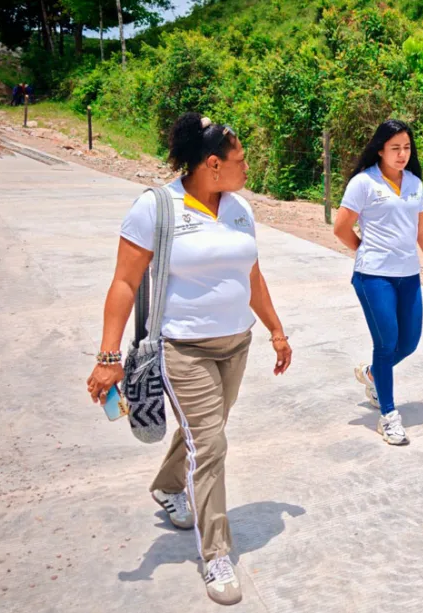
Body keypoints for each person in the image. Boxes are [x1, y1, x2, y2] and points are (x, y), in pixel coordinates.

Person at [86, 112, 293, 606]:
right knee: (213, 446)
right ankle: (216, 553)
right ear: (212, 165)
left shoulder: (240, 208)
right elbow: (124, 282)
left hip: (235, 344)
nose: (249, 168)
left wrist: (276, 330)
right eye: (241, 160)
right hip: (183, 349)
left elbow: (253, 275)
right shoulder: (155, 208)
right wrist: (108, 356)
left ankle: (166, 484)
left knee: (207, 432)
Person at [333, 119, 423, 445]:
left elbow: (422, 230)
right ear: (379, 149)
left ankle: (372, 375)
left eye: (406, 147)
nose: (402, 154)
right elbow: (341, 228)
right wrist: (365, 251)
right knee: (386, 344)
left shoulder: (413, 183)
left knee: (408, 342)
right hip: (374, 277)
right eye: (395, 148)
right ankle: (389, 416)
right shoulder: (363, 183)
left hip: (408, 276)